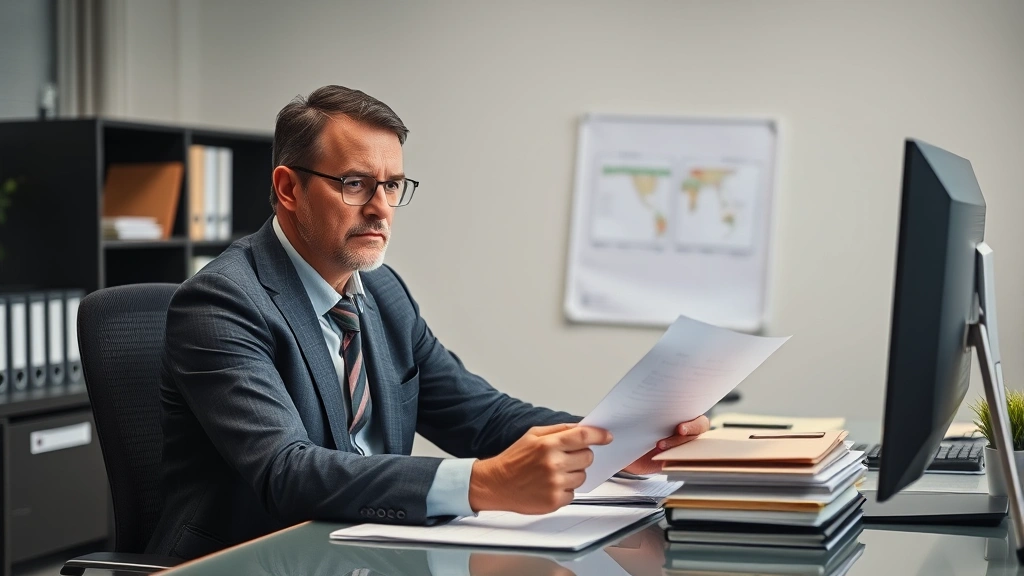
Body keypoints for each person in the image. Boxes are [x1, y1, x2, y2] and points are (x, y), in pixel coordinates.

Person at [146, 85, 709, 559]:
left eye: (392, 185)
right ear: (289, 188)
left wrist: (618, 444)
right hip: (253, 559)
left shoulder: (383, 292)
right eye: (355, 183)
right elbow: (287, 473)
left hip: (372, 549)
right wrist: (483, 482)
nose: (380, 208)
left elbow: (480, 417)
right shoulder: (223, 302)